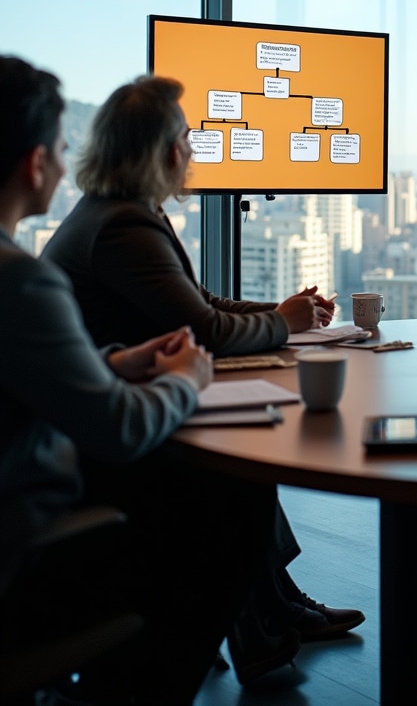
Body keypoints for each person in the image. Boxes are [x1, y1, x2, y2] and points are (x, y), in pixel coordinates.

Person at [42, 76, 364, 681]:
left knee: (242, 461)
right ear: (166, 152)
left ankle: (274, 615)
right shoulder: (123, 228)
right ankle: (262, 627)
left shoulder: (118, 211)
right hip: (107, 435)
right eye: (189, 139)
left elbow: (199, 303)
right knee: (237, 470)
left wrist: (279, 313)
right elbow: (206, 329)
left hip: (111, 404)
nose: (194, 151)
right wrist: (281, 322)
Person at [0, 55, 277, 704]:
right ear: (36, 164)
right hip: (23, 551)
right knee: (234, 505)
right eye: (61, 150)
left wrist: (118, 362)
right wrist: (182, 379)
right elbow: (120, 429)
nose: (68, 167)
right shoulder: (20, 277)